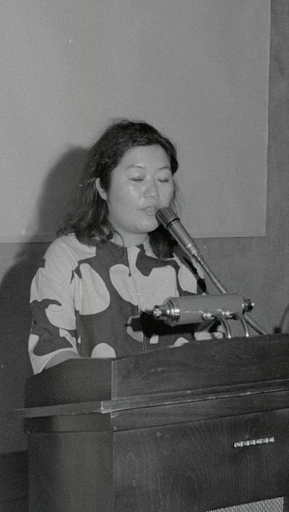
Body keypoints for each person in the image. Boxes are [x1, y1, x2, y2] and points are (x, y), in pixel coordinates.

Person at [28, 119, 214, 374]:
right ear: (101, 188)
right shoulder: (67, 257)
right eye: (137, 179)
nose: (152, 193)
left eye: (163, 179)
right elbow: (51, 354)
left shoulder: (183, 261)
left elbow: (211, 351)